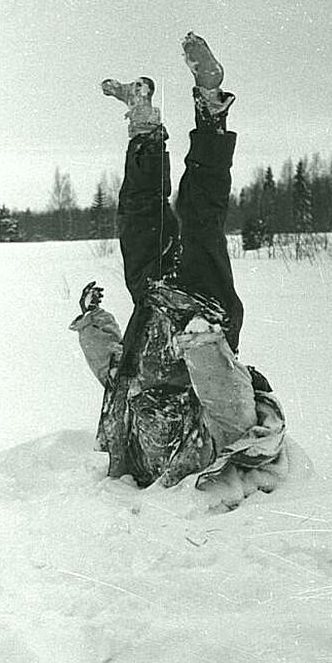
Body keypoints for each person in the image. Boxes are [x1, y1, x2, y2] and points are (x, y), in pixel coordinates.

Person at [70, 33, 291, 507]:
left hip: (152, 302)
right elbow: (229, 405)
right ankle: (211, 106)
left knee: (137, 216)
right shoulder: (208, 444)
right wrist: (205, 343)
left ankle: (143, 119)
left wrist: (92, 324)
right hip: (202, 306)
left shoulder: (129, 429)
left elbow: (112, 368)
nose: (152, 425)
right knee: (199, 213)